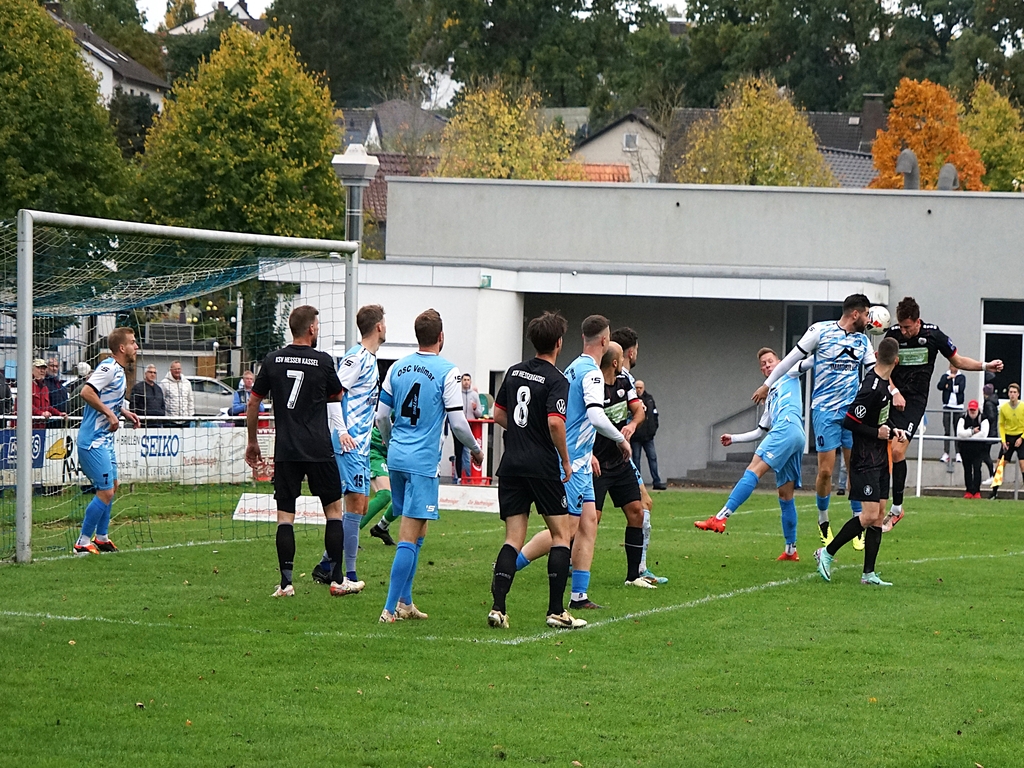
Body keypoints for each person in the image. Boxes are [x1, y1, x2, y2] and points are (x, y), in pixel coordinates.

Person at [516, 315, 631, 610]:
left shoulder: (572, 367)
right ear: (604, 340)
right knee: (565, 530)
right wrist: (620, 439)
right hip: (572, 464)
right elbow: (594, 415)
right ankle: (508, 565)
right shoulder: (592, 373)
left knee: (588, 523)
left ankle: (579, 595)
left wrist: (589, 451)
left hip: (580, 459)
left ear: (583, 338)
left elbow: (573, 416)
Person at [375, 309, 483, 623]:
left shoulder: (396, 367)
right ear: (441, 337)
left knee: (419, 527)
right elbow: (458, 423)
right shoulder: (448, 371)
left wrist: (391, 442)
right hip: (422, 462)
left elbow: (381, 416)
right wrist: (475, 450)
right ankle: (389, 609)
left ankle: (406, 602)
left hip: (397, 457)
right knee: (409, 534)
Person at [487, 311, 586, 630]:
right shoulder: (558, 380)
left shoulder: (514, 371)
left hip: (512, 465)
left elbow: (498, 415)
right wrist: (566, 460)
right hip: (542, 467)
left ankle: (498, 608)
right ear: (559, 343)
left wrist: (522, 432)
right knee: (561, 535)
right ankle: (556, 611)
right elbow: (555, 423)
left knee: (512, 538)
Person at [754, 294, 878, 549]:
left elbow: (874, 374)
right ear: (855, 314)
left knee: (854, 467)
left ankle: (857, 521)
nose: (869, 320)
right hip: (824, 412)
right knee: (826, 471)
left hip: (852, 412)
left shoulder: (863, 341)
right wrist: (767, 385)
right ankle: (823, 518)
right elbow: (790, 360)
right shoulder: (820, 331)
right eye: (866, 314)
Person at [244, 305, 347, 598]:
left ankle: (286, 584)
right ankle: (337, 580)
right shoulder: (323, 361)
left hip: (286, 448)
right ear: (311, 328)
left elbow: (254, 402)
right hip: (318, 446)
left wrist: (252, 441)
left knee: (285, 516)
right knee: (334, 512)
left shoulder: (272, 360)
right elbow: (337, 394)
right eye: (318, 326)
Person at [882, 297, 1002, 528]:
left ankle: (896, 508)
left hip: (914, 402)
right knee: (880, 451)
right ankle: (875, 503)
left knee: (897, 451)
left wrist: (985, 366)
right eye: (901, 326)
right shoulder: (893, 335)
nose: (904, 332)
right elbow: (883, 369)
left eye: (908, 327)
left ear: (918, 321)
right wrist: (894, 391)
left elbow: (958, 360)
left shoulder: (933, 335)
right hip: (891, 396)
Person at [696, 347, 807, 561]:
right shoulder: (770, 398)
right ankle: (790, 550)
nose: (767, 366)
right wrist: (734, 438)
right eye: (763, 364)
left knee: (753, 470)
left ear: (780, 362)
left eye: (770, 361)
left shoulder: (790, 372)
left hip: (786, 428)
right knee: (785, 495)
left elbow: (809, 361)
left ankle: (720, 517)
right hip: (796, 436)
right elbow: (759, 432)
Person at [307, 304, 387, 596]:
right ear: (378, 327)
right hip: (348, 441)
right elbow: (333, 393)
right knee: (353, 504)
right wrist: (341, 431)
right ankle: (348, 575)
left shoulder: (370, 359)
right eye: (385, 322)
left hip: (361, 444)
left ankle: (326, 564)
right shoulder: (356, 358)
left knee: (361, 505)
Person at [816, 337, 905, 587]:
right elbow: (850, 422)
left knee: (879, 515)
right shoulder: (871, 387)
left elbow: (879, 418)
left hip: (880, 457)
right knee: (869, 515)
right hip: (865, 459)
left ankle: (868, 574)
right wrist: (877, 433)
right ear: (896, 361)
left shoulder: (885, 385)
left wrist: (893, 429)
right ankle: (827, 553)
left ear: (876, 355)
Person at [592, 342, 654, 588]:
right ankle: (569, 565)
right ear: (615, 362)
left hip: (620, 461)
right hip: (596, 464)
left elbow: (639, 411)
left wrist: (632, 425)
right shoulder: (593, 386)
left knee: (636, 512)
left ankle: (633, 576)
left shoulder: (624, 383)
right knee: (591, 520)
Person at [73, 329, 141, 554]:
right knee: (105, 491)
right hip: (93, 441)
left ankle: (101, 537)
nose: (136, 347)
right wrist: (111, 415)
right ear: (122, 348)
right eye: (133, 343)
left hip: (104, 440)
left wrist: (123, 412)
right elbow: (87, 392)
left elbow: (107, 398)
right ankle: (82, 542)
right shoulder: (108, 367)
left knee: (113, 486)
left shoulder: (119, 371)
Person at [610, 326, 665, 584]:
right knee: (587, 519)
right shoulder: (623, 379)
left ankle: (639, 569)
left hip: (615, 452)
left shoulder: (614, 376)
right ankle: (640, 569)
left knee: (641, 505)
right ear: (631, 352)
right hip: (612, 453)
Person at [991, 383, 1024, 499]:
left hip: (1020, 437)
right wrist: (1003, 440)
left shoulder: (1022, 407)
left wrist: (1022, 438)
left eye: (1015, 392)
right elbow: (1001, 424)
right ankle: (994, 493)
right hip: (1008, 438)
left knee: (1022, 465)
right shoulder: (1004, 408)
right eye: (1011, 392)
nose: (1012, 394)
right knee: (1000, 465)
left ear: (1018, 394)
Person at [631, 380, 664, 490]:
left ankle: (657, 482)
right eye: (637, 387)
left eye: (640, 387)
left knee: (652, 458)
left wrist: (653, 429)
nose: (638, 390)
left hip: (648, 436)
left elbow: (655, 414)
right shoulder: (631, 400)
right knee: (636, 459)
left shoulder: (649, 399)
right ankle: (637, 483)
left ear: (643, 388)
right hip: (636, 437)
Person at [956, 399, 989, 498]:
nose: (972, 412)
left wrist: (967, 436)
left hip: (979, 449)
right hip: (965, 449)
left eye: (974, 410)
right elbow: (959, 433)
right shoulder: (962, 418)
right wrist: (972, 432)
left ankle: (977, 491)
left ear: (978, 409)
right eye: (971, 410)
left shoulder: (983, 419)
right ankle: (969, 491)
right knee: (967, 470)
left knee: (977, 469)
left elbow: (983, 434)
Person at [454, 373, 482, 483]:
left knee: (468, 451)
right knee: (458, 452)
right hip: (459, 426)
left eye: (468, 380)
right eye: (464, 380)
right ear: (461, 381)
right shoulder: (457, 394)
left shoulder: (474, 395)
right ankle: (459, 477)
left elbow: (479, 413)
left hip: (470, 427)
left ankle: (469, 477)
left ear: (470, 382)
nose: (466, 382)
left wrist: (475, 409)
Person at [937, 363, 966, 463]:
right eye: (953, 366)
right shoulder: (945, 376)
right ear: (949, 367)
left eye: (956, 366)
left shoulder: (961, 377)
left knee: (958, 431)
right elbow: (940, 386)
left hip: (958, 407)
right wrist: (948, 379)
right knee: (947, 430)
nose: (954, 368)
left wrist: (948, 387)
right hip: (947, 406)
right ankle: (946, 453)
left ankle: (958, 453)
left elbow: (960, 389)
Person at [981, 383, 999, 483]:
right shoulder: (993, 402)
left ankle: (993, 475)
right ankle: (993, 474)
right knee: (985, 454)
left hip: (988, 432)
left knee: (985, 454)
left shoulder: (988, 403)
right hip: (992, 431)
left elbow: (990, 417)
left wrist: (983, 417)